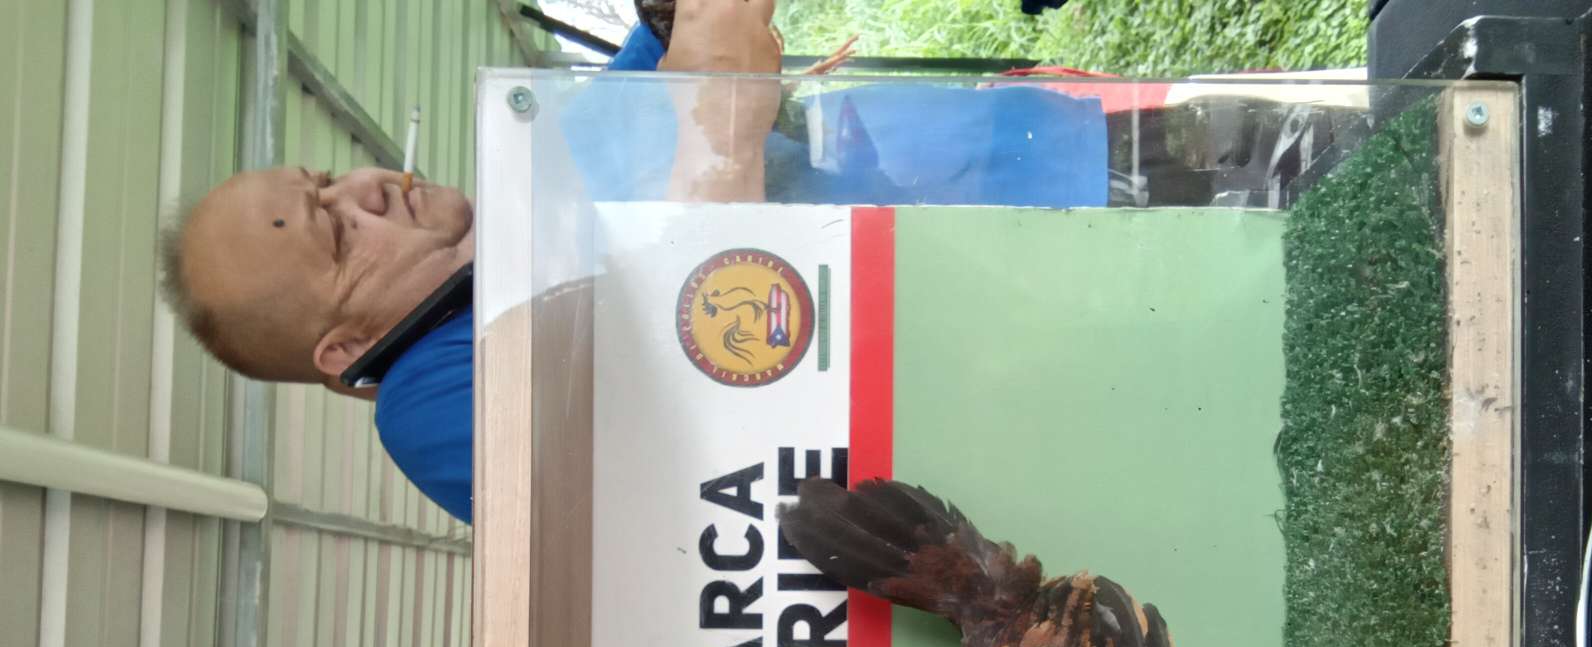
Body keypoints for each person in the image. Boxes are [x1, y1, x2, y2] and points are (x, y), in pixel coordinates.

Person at [162, 0, 1127, 523]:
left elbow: (659, 62)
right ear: (344, 352)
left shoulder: (537, 183)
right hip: (1036, 353)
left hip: (1052, 170)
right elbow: (706, 469)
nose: (366, 191)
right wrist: (721, 127)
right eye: (335, 233)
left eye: (328, 180)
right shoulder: (430, 401)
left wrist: (676, 23)